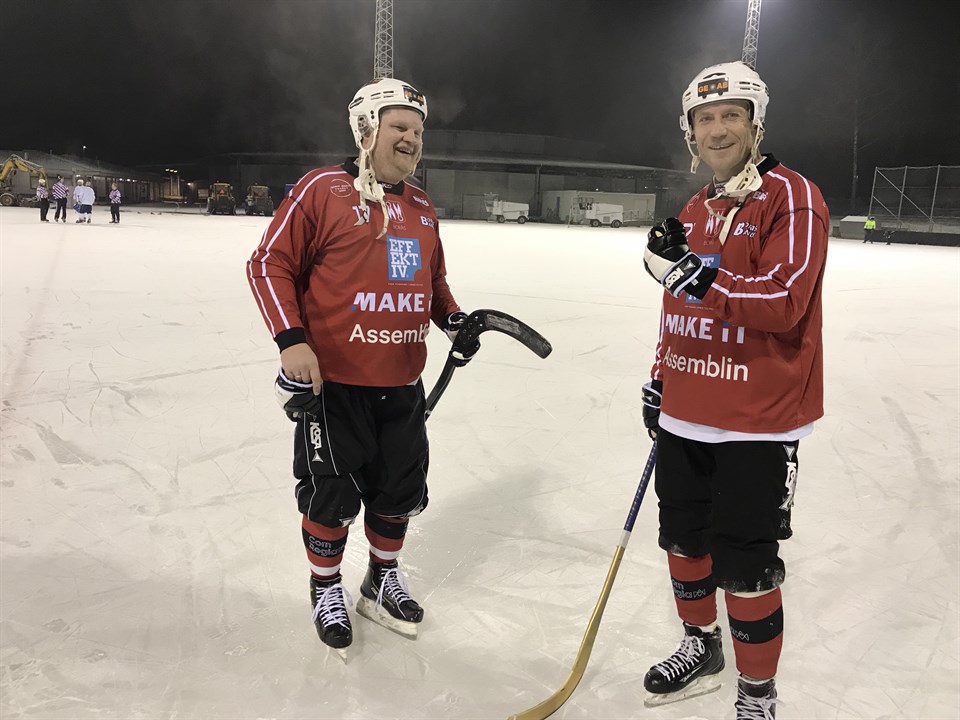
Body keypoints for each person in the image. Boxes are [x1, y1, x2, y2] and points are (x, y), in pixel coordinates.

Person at [246, 78, 477, 656]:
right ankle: (326, 585)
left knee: (398, 491)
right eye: (400, 126)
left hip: (401, 383)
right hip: (335, 385)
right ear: (366, 128)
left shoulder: (421, 206)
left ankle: (381, 578)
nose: (412, 139)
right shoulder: (323, 189)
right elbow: (268, 263)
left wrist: (453, 320)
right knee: (331, 497)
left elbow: (432, 283)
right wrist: (291, 341)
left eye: (418, 130)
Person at [639, 61, 829, 719]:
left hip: (758, 422)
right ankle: (701, 645)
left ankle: (757, 695)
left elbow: (784, 300)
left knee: (746, 566)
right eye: (705, 119)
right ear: (690, 131)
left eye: (731, 116)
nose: (717, 129)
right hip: (686, 415)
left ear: (755, 123)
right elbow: (676, 309)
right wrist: (660, 376)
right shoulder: (697, 207)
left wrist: (695, 275)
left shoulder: (792, 195)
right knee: (684, 543)